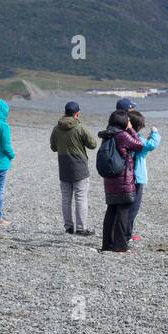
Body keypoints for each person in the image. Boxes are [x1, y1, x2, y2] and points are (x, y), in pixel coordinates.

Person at [98, 109, 143, 253]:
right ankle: (120, 245)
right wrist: (131, 129)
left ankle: (107, 244)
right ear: (123, 122)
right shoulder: (122, 135)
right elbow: (139, 145)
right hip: (123, 180)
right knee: (123, 212)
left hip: (109, 180)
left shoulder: (107, 134)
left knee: (111, 211)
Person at [50, 100, 97, 236]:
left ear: (65, 112)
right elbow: (93, 144)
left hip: (63, 166)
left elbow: (53, 147)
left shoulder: (56, 128)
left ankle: (69, 227)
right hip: (79, 166)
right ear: (77, 114)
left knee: (66, 197)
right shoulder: (80, 128)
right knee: (81, 197)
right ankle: (81, 228)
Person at [126, 109, 160, 243]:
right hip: (137, 177)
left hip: (125, 176)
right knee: (133, 207)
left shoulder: (123, 136)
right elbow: (152, 144)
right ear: (138, 127)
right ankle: (127, 233)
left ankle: (123, 231)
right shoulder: (138, 139)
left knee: (124, 206)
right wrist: (155, 132)